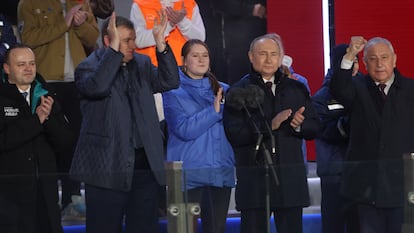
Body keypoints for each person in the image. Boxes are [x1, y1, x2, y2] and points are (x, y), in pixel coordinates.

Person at [69, 11, 179, 233]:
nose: (133, 45)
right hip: (107, 168)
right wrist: (114, 54)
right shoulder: (87, 67)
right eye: (126, 40)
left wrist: (161, 44)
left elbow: (170, 81)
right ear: (109, 41)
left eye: (133, 39)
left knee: (144, 227)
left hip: (144, 167)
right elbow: (98, 87)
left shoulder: (142, 63)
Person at [223, 33, 320, 233]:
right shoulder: (238, 91)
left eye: (274, 54)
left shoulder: (296, 88)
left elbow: (315, 127)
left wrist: (298, 125)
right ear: (251, 56)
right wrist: (270, 125)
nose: (269, 59)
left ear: (280, 57)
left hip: (290, 182)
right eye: (263, 54)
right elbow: (235, 134)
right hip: (255, 184)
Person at [18, 0, 100, 218]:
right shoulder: (28, 3)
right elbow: (27, 38)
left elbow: (93, 38)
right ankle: (48, 201)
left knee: (76, 139)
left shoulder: (81, 3)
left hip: (78, 80)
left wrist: (80, 24)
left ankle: (72, 197)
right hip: (47, 81)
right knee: (48, 140)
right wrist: (64, 23)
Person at [329, 36, 414, 233]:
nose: (379, 64)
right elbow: (339, 89)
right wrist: (350, 55)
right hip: (366, 186)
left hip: (405, 184)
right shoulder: (356, 88)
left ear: (394, 59)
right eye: (373, 59)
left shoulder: (411, 89)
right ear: (365, 63)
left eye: (384, 57)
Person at [162, 39, 235, 233]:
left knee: (216, 229)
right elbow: (184, 129)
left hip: (220, 173)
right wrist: (214, 111)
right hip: (188, 176)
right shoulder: (172, 91)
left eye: (205, 55)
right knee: (183, 230)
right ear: (184, 60)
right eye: (195, 55)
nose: (201, 60)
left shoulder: (225, 90)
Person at [0, 44, 74, 233]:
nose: (28, 68)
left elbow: (65, 142)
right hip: (10, 198)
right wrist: (36, 120)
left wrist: (47, 119)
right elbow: (4, 141)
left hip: (46, 195)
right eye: (21, 64)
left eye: (32, 63)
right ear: (7, 68)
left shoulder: (46, 96)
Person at [312, 44, 361, 233]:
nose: (354, 65)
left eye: (356, 60)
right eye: (350, 60)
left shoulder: (366, 88)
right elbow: (323, 130)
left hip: (362, 171)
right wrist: (348, 123)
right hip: (334, 173)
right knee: (334, 225)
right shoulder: (322, 97)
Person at [130, 0, 205, 66]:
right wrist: (169, 25)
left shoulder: (189, 4)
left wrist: (182, 22)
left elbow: (200, 39)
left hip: (184, 70)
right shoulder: (140, 4)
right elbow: (138, 41)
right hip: (150, 70)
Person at [212, 0, 267, 84]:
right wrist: (251, 9)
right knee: (240, 77)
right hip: (239, 39)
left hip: (264, 33)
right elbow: (220, 3)